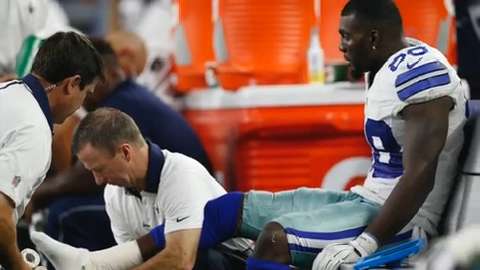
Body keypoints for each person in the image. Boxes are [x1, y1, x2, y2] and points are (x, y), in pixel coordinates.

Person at [30, 0, 467, 269]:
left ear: (375, 37)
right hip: (368, 200)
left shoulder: (420, 74)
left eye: (346, 38)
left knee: (271, 240)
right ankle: (92, 264)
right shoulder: (390, 63)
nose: (339, 46)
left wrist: (366, 242)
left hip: (399, 223)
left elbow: (420, 172)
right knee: (222, 210)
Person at [33, 108, 231, 270]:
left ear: (126, 152)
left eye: (100, 169)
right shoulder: (113, 193)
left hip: (236, 262)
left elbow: (181, 260)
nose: (98, 180)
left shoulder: (182, 174)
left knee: (202, 257)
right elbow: (132, 260)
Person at [0, 31, 103, 269]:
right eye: (85, 94)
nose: (81, 105)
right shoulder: (33, 128)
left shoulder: (6, 92)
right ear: (72, 84)